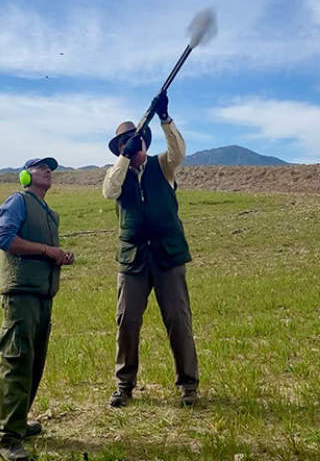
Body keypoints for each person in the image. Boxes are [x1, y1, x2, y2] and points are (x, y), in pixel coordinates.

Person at [102, 92, 199, 408]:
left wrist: (165, 119)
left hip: (168, 256)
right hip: (132, 260)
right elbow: (109, 191)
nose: (135, 147)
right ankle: (124, 385)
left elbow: (179, 152)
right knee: (127, 321)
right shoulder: (117, 174)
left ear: (145, 141)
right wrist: (124, 158)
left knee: (178, 320)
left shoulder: (163, 166)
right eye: (127, 144)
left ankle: (188, 385)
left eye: (138, 141)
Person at [0, 157, 75, 461]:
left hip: (43, 295)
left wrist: (60, 256)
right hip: (21, 295)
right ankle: (7, 439)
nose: (47, 171)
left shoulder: (49, 213)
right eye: (40, 167)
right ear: (25, 175)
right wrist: (46, 250)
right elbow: (4, 239)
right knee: (16, 362)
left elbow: (43, 249)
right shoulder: (18, 201)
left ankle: (17, 422)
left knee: (34, 362)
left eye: (50, 167)